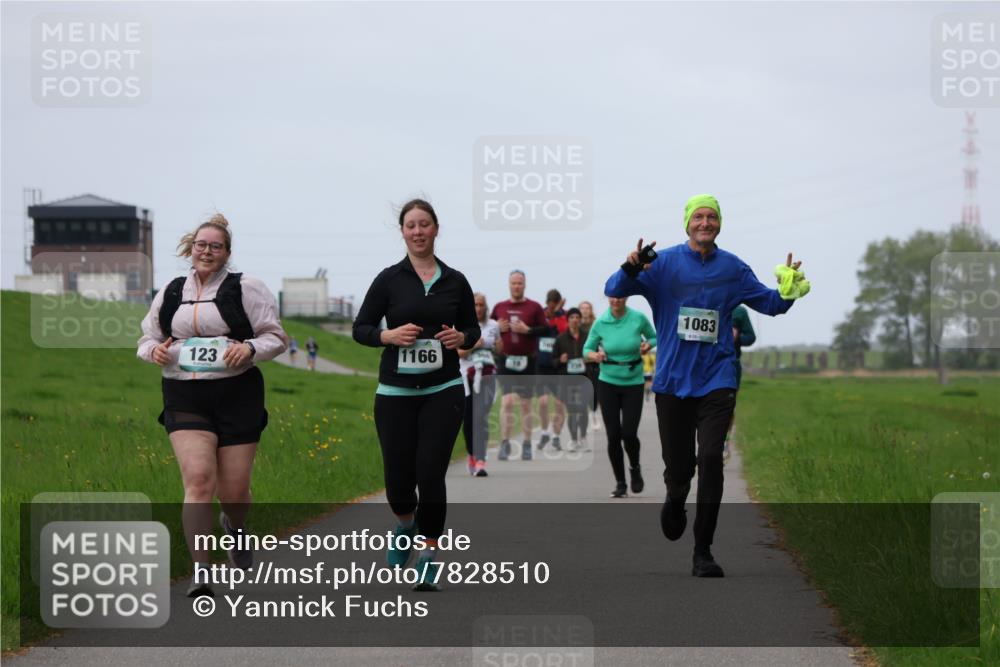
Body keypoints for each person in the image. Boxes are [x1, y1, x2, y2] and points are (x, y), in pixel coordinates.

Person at [605, 193, 809, 577]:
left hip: (717, 377)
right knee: (680, 468)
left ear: (719, 223)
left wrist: (790, 288)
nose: (705, 223)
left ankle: (703, 550)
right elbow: (614, 287)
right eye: (698, 217)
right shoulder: (661, 263)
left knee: (712, 458)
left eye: (711, 217)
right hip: (671, 381)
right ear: (687, 223)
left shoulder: (732, 268)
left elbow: (771, 303)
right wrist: (631, 267)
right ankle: (676, 495)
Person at [137, 213, 288, 598]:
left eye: (215, 246)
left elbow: (276, 337)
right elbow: (146, 339)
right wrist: (153, 351)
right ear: (191, 249)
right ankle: (201, 571)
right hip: (185, 395)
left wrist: (250, 348)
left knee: (234, 491)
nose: (207, 251)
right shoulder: (171, 291)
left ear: (227, 253)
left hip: (237, 394)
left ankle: (235, 528)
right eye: (201, 245)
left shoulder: (246, 288)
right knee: (199, 481)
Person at [352, 198, 480, 591]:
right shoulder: (389, 279)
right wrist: (386, 336)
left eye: (425, 224)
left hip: (443, 389)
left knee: (431, 473)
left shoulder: (455, 280)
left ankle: (428, 554)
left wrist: (462, 338)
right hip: (395, 391)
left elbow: (472, 331)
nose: (418, 231)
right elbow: (362, 328)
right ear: (403, 232)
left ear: (436, 229)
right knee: (398, 481)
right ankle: (405, 525)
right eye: (411, 225)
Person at [583, 297, 656, 498]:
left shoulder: (637, 318)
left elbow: (654, 337)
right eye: (612, 296)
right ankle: (620, 482)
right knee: (613, 435)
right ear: (607, 298)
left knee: (629, 434)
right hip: (608, 382)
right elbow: (586, 349)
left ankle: (635, 468)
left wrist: (647, 346)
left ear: (626, 297)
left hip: (633, 382)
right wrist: (594, 356)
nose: (616, 300)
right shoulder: (601, 322)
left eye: (620, 296)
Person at [490, 270, 547, 462]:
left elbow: (546, 329)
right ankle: (505, 443)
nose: (516, 286)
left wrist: (528, 330)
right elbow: (488, 328)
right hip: (506, 360)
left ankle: (527, 444)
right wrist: (497, 327)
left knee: (525, 404)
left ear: (525, 285)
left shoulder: (534, 307)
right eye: (513, 283)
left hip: (527, 361)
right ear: (509, 285)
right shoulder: (499, 307)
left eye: (520, 283)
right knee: (506, 402)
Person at [458, 292, 501, 477]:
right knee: (468, 421)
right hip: (466, 376)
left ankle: (481, 461)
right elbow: (459, 353)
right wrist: (474, 345)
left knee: (481, 417)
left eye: (481, 304)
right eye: (475, 304)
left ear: (486, 306)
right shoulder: (460, 325)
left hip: (488, 376)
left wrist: (496, 346)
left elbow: (500, 347)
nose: (478, 308)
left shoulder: (493, 325)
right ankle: (472, 455)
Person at [553, 307, 590, 451]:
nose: (575, 320)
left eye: (577, 317)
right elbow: (553, 361)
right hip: (567, 379)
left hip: (584, 378)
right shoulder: (560, 339)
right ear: (567, 320)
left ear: (580, 320)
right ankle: (574, 439)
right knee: (573, 410)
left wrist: (589, 359)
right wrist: (560, 360)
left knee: (582, 408)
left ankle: (584, 437)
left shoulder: (587, 336)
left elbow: (595, 353)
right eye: (572, 317)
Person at [536, 289, 568, 452]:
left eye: (554, 305)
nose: (551, 307)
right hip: (541, 367)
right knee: (542, 403)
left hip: (558, 368)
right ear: (547, 302)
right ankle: (544, 432)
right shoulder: (540, 314)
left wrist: (557, 314)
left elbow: (564, 330)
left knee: (559, 404)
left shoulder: (564, 315)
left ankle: (556, 436)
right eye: (549, 304)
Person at [724, 305, 756, 462]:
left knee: (727, 407)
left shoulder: (739, 311)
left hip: (731, 365)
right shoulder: (702, 300)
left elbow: (751, 337)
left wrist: (737, 338)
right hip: (704, 364)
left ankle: (725, 441)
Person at [578, 300, 601, 435]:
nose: (585, 310)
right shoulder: (576, 325)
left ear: (591, 310)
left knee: (594, 391)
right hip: (579, 362)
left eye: (587, 308)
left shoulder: (596, 324)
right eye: (582, 308)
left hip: (593, 362)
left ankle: (593, 414)